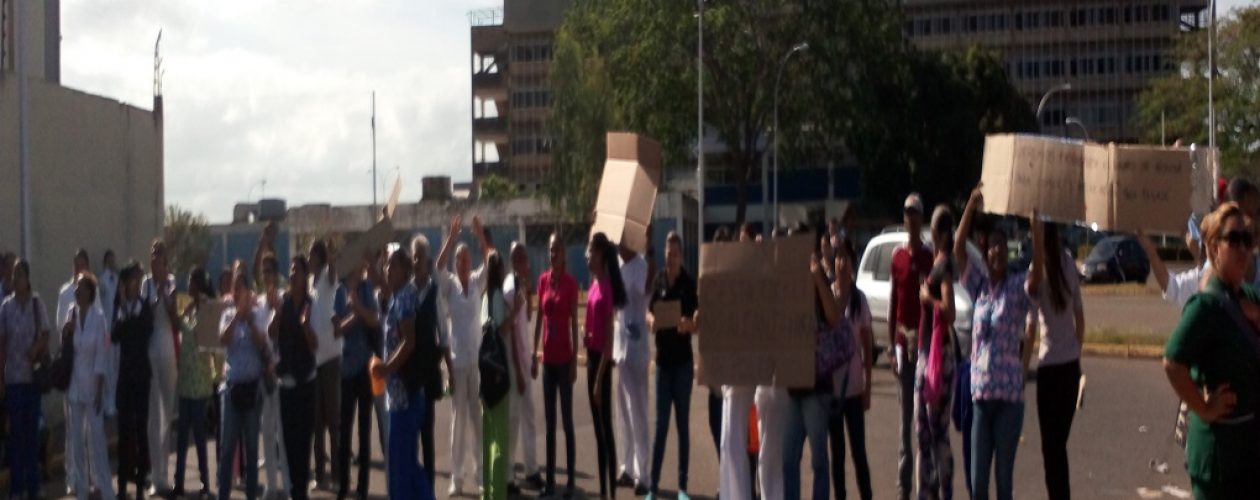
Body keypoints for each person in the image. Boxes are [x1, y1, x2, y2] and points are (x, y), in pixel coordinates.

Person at [1163, 201, 1260, 499]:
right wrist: (1203, 408)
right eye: (1234, 239)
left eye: (1247, 239)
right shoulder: (1206, 306)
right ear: (1214, 247)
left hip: (1250, 453)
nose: (1244, 249)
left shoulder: (1249, 297)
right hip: (1218, 462)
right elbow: (1172, 362)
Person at [955, 188, 1041, 500]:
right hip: (981, 397)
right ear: (986, 251)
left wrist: (1036, 228)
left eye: (1003, 247)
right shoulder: (978, 287)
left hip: (1009, 400)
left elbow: (1037, 274)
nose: (998, 252)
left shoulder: (1017, 288)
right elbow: (958, 251)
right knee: (978, 484)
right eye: (993, 247)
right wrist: (971, 205)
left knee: (1003, 483)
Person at [435, 214, 495, 496]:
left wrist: (481, 237)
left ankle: (481, 473)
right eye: (460, 259)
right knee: (458, 422)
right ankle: (456, 478)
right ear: (456, 262)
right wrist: (452, 238)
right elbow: (437, 267)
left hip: (477, 363)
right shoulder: (450, 286)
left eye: (467, 258)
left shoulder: (476, 281)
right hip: (457, 363)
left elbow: (491, 261)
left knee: (477, 419)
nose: (464, 262)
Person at [371, 247, 436, 500]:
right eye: (388, 266)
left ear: (406, 271)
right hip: (398, 397)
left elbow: (409, 342)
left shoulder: (406, 297)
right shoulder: (398, 296)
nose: (388, 270)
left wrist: (387, 367)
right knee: (405, 465)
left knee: (402, 468)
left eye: (393, 266)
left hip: (405, 398)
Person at [1027, 222, 1085, 500]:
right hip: (1069, 367)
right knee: (1059, 444)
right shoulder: (1069, 264)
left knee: (1050, 449)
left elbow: (1030, 329)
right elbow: (1080, 318)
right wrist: (1076, 351)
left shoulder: (1035, 272)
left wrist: (1021, 369)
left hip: (1048, 367)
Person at [784, 238, 844, 500]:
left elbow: (833, 317)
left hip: (817, 388)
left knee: (818, 461)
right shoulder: (788, 289)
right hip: (794, 388)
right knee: (789, 459)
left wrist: (818, 276)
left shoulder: (818, 287)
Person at [647, 232, 698, 500]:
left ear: (681, 255)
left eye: (675, 253)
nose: (671, 257)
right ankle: (653, 486)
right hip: (663, 364)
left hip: (683, 366)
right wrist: (650, 321)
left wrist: (687, 325)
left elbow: (697, 322)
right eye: (668, 252)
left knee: (682, 425)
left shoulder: (689, 284)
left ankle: (682, 487)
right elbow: (649, 310)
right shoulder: (659, 280)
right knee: (661, 425)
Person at [888, 194, 931, 500]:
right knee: (905, 423)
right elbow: (893, 303)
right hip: (904, 345)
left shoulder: (928, 258)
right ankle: (903, 487)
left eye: (915, 213)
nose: (911, 218)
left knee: (923, 420)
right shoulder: (897, 257)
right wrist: (892, 347)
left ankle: (925, 484)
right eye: (907, 213)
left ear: (922, 218)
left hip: (924, 345)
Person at [533, 233, 580, 499]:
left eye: (558, 250)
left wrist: (574, 361)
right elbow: (539, 318)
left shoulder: (571, 284)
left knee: (567, 422)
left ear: (564, 254)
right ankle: (550, 482)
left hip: (564, 360)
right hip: (548, 361)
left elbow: (574, 323)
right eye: (551, 250)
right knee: (549, 424)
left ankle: (571, 482)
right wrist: (533, 352)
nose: (553, 254)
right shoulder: (542, 281)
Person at [218, 268, 272, 500]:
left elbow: (263, 343)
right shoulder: (228, 315)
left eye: (242, 287)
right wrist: (237, 317)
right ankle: (223, 495)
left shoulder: (258, 315)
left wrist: (249, 320)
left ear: (249, 291)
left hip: (252, 390)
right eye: (235, 287)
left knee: (251, 448)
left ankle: (251, 495)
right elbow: (223, 339)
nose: (238, 291)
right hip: (232, 388)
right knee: (227, 448)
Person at [916, 205, 957, 500]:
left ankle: (937, 492)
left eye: (932, 228)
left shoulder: (943, 266)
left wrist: (927, 298)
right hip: (932, 354)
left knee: (932, 432)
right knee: (931, 433)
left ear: (941, 233)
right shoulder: (939, 262)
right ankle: (935, 491)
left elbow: (950, 311)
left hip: (937, 359)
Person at [828, 239, 874, 500]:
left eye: (846, 258)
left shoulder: (860, 301)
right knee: (837, 454)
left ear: (853, 264)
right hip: (832, 392)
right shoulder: (827, 296)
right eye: (838, 257)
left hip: (855, 389)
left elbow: (867, 347)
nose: (842, 263)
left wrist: (867, 387)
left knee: (858, 451)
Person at [0, 260, 50, 500]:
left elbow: (47, 334)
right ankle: (16, 488)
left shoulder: (37, 304)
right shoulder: (6, 307)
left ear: (27, 278)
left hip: (32, 379)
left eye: (19, 275)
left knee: (32, 435)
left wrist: (36, 347)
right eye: (14, 276)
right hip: (13, 379)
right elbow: (1, 344)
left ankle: (34, 485)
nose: (15, 279)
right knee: (15, 436)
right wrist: (0, 377)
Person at [272, 256, 319, 500]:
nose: (293, 275)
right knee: (288, 447)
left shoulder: (312, 304)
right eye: (290, 271)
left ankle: (300, 492)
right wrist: (277, 313)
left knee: (303, 444)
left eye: (297, 271)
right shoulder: (284, 302)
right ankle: (295, 492)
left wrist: (304, 326)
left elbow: (315, 344)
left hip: (306, 383)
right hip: (286, 383)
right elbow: (272, 332)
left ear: (305, 276)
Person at [64, 274, 116, 500]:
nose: (76, 291)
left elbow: (102, 354)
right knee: (76, 440)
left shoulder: (99, 318)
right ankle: (81, 489)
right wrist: (66, 330)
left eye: (81, 288)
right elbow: (67, 348)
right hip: (74, 385)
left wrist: (100, 388)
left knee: (96, 440)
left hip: (93, 385)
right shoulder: (71, 314)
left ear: (89, 293)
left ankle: (106, 490)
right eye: (76, 288)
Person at [334, 258, 380, 500]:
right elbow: (336, 328)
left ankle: (362, 487)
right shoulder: (340, 290)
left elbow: (373, 318)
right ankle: (344, 486)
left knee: (364, 429)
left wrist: (358, 308)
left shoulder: (366, 289)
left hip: (364, 367)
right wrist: (355, 316)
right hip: (346, 367)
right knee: (344, 430)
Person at [482, 250, 525, 500]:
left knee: (496, 426)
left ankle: (498, 478)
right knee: (507, 424)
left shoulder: (486, 297)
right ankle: (505, 478)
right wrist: (515, 310)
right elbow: (502, 330)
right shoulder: (496, 297)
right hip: (502, 363)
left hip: (490, 365)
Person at [587, 232, 626, 500]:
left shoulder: (608, 288)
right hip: (590, 358)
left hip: (601, 363)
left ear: (601, 255)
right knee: (598, 434)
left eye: (592, 251)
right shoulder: (593, 284)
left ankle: (611, 493)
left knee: (606, 432)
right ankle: (602, 492)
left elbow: (609, 340)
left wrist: (600, 379)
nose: (588, 255)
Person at [411, 235, 451, 495]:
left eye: (421, 258)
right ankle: (415, 488)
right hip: (409, 372)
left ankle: (430, 490)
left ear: (427, 261)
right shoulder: (407, 291)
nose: (417, 263)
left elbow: (443, 333)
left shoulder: (434, 293)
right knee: (410, 435)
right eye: (414, 258)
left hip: (427, 371)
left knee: (427, 434)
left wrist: (450, 369)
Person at [174, 267, 217, 498]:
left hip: (199, 384)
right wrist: (182, 307)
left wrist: (201, 306)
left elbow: (209, 342)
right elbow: (177, 324)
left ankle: (205, 483)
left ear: (199, 285)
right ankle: (178, 482)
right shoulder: (189, 311)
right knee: (182, 437)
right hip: (185, 383)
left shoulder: (207, 312)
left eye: (191, 282)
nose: (188, 286)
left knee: (199, 437)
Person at [113, 262, 154, 499]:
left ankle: (140, 483)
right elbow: (116, 334)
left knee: (141, 431)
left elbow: (143, 330)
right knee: (124, 432)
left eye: (138, 281)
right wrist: (124, 311)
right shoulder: (120, 308)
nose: (135, 285)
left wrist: (128, 319)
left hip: (141, 377)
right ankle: (121, 484)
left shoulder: (143, 307)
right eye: (131, 281)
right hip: (125, 378)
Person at [615, 240, 653, 497]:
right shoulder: (616, 264)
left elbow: (647, 288)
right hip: (620, 347)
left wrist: (649, 250)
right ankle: (626, 466)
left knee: (638, 411)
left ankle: (643, 473)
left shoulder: (641, 264)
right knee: (623, 412)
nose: (617, 244)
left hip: (637, 347)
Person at [504, 243, 544, 492]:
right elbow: (508, 334)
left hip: (525, 362)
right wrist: (518, 371)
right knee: (514, 421)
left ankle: (531, 469)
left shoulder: (521, 286)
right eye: (517, 258)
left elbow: (526, 320)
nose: (522, 262)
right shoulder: (510, 289)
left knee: (528, 418)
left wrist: (528, 293)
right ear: (512, 261)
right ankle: (508, 477)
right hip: (515, 367)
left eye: (524, 258)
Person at [143, 240, 181, 497]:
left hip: (168, 351)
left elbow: (176, 321)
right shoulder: (146, 284)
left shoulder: (172, 283)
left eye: (160, 256)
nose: (156, 260)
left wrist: (167, 297)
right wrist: (155, 294)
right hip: (150, 353)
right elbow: (145, 315)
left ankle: (164, 474)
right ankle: (154, 473)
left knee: (167, 414)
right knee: (152, 416)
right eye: (153, 256)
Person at [57, 249, 93, 497]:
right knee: (72, 429)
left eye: (82, 265)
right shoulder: (65, 294)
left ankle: (86, 476)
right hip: (71, 368)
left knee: (88, 430)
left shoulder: (93, 294)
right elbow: (62, 330)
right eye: (75, 264)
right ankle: (72, 477)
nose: (78, 269)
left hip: (88, 371)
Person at [308, 240, 343, 491]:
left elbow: (333, 273)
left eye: (312, 255)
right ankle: (320, 474)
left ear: (319, 258)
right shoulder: (310, 286)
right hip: (314, 361)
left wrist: (331, 256)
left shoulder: (328, 281)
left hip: (331, 359)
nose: (308, 259)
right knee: (317, 423)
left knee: (333, 420)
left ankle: (338, 474)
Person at [255, 254, 290, 498]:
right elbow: (257, 337)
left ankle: (288, 485)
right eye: (263, 272)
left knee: (283, 433)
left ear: (276, 275)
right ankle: (270, 485)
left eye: (270, 271)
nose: (266, 275)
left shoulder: (284, 300)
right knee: (266, 430)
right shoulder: (257, 304)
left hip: (281, 373)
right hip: (263, 374)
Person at [100, 249, 120, 418]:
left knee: (116, 364)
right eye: (110, 260)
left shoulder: (117, 279)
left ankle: (114, 402)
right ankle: (108, 404)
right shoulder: (104, 279)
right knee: (108, 367)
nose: (113, 262)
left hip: (116, 328)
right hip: (107, 330)